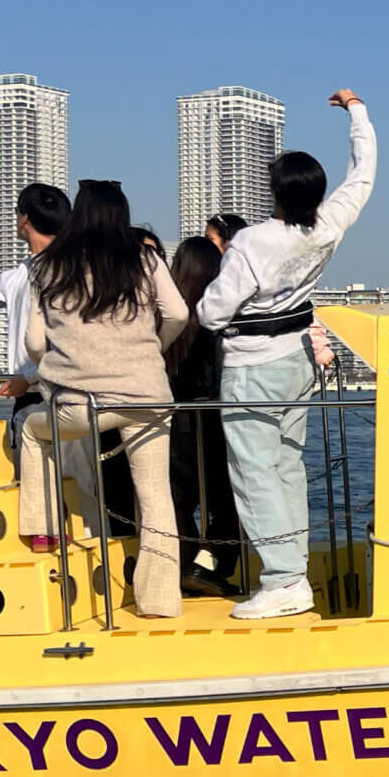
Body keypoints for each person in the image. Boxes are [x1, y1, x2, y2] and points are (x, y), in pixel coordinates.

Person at [195, 88, 376, 619]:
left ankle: (283, 580)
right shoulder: (329, 225)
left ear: (274, 193)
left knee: (254, 472)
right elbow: (363, 174)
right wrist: (357, 110)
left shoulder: (252, 242)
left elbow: (211, 313)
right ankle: (292, 567)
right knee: (287, 466)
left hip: (252, 367)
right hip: (297, 359)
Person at [22, 180, 188, 618]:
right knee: (155, 496)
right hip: (148, 395)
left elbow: (34, 341)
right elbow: (180, 313)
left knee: (33, 431)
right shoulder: (145, 259)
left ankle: (43, 529)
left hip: (83, 401)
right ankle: (160, 600)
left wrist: (57, 361)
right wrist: (154, 343)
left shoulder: (49, 266)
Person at [0, 183, 70, 535]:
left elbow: (62, 339)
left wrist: (32, 377)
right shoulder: (31, 268)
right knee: (61, 481)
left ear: (25, 220)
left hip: (50, 386)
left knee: (47, 479)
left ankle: (49, 541)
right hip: (35, 388)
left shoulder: (50, 270)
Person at [165, 236, 241, 591]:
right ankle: (210, 566)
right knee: (228, 500)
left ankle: (185, 564)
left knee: (179, 501)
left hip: (173, 417)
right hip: (213, 414)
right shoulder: (218, 315)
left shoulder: (168, 315)